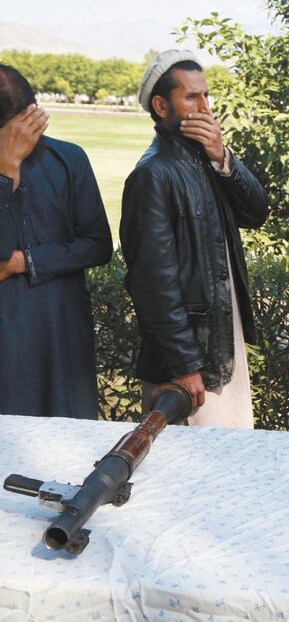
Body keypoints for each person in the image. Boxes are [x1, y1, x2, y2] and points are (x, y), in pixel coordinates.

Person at [120, 50, 267, 428]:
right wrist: (185, 365)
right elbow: (152, 285)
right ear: (161, 106)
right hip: (189, 366)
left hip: (219, 352)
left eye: (206, 95)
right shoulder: (152, 175)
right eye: (191, 97)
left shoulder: (207, 160)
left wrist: (223, 157)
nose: (205, 107)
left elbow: (256, 212)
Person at [0, 64, 112, 418]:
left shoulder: (69, 158)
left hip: (61, 329)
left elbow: (98, 244)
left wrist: (25, 262)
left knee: (68, 431)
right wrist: (7, 169)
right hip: (8, 334)